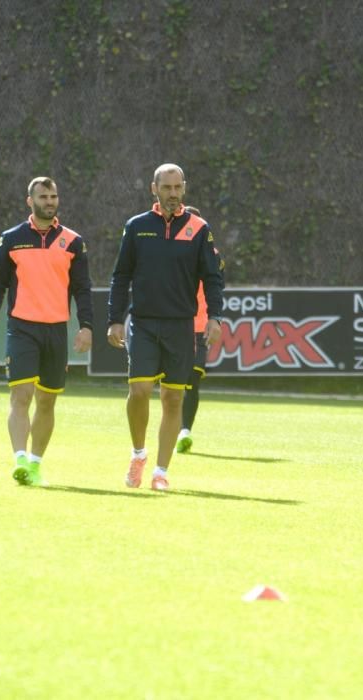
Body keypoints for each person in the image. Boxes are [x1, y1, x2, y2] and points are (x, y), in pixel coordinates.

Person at [107, 164, 224, 492]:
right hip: (143, 323)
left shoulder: (199, 229)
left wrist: (215, 316)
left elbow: (212, 277)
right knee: (140, 390)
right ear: (153, 189)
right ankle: (138, 454)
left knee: (173, 398)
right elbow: (121, 276)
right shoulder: (137, 227)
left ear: (184, 188)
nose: (173, 194)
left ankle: (161, 470)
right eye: (166, 187)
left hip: (181, 326)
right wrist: (114, 319)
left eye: (177, 187)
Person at [0, 176, 93, 486]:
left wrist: (86, 326)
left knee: (46, 401)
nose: (49, 201)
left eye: (53, 196)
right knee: (21, 394)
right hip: (22, 329)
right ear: (29, 201)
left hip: (56, 331)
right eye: (43, 197)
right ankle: (19, 458)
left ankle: (36, 463)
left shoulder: (73, 241)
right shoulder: (11, 238)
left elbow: (82, 289)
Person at [176, 205, 225, 454]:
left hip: (198, 325)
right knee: (174, 383)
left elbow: (216, 286)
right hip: (174, 322)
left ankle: (185, 431)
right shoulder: (171, 249)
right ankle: (174, 428)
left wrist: (214, 318)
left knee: (192, 379)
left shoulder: (212, 255)